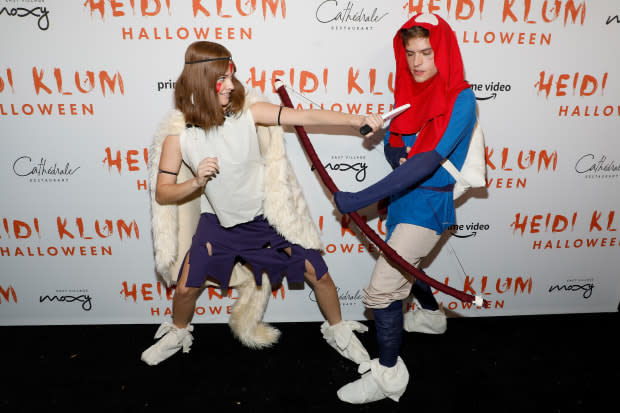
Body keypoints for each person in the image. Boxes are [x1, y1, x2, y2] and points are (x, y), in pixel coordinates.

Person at [140, 41, 384, 367]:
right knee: (185, 289)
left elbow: (305, 115)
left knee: (319, 274)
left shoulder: (249, 113)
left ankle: (338, 330)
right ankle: (178, 332)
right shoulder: (178, 137)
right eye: (221, 79)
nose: (231, 84)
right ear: (199, 81)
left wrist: (354, 121)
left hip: (266, 222)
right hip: (218, 226)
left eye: (231, 76)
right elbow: (163, 194)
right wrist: (197, 182)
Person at [332, 13, 477, 403]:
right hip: (403, 200)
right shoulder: (410, 92)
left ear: (442, 53)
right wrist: (390, 143)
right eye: (410, 53)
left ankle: (389, 376)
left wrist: (357, 200)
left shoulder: (461, 96)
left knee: (381, 293)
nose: (417, 62)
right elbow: (398, 146)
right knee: (406, 267)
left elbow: (427, 161)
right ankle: (430, 318)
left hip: (428, 204)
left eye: (426, 52)